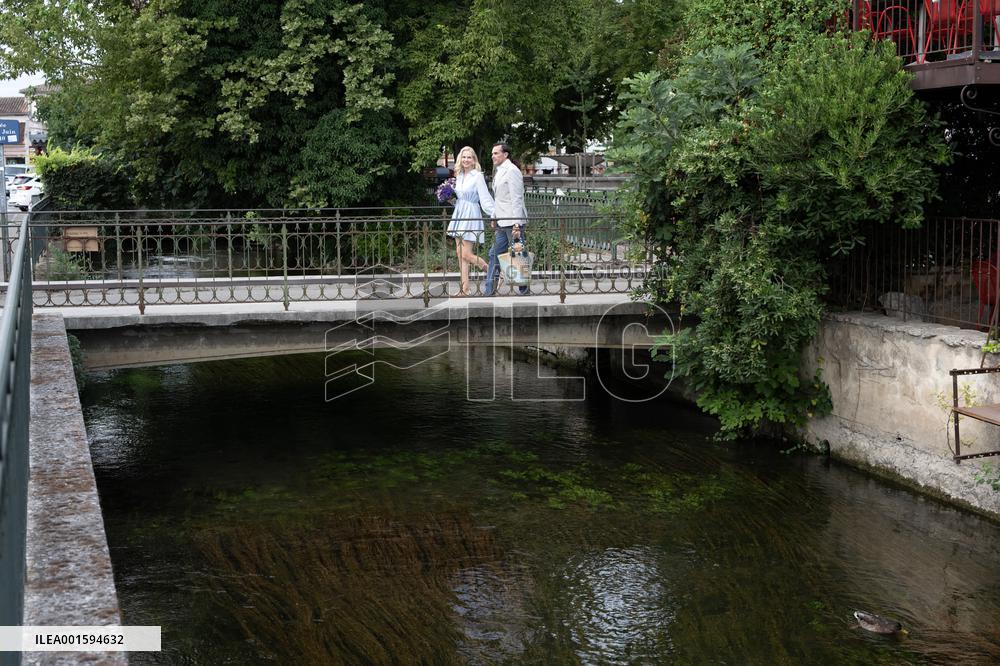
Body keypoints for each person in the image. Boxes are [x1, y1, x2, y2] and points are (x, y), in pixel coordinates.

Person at [446, 146, 494, 296]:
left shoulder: (477, 176)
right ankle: (465, 289)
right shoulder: (459, 176)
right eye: (464, 157)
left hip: (471, 214)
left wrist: (494, 214)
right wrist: (450, 199)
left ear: (474, 160)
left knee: (466, 253)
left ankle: (494, 272)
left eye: (469, 157)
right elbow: (461, 199)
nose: (466, 160)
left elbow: (484, 198)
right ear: (460, 159)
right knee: (460, 253)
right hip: (459, 213)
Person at [484, 142, 529, 296]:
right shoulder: (500, 171)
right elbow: (499, 199)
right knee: (493, 253)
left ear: (505, 155)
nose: (493, 156)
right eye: (492, 154)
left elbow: (516, 199)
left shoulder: (512, 171)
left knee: (518, 254)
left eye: (496, 153)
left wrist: (517, 223)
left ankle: (524, 289)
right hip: (503, 221)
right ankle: (489, 290)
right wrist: (494, 217)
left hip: (512, 221)